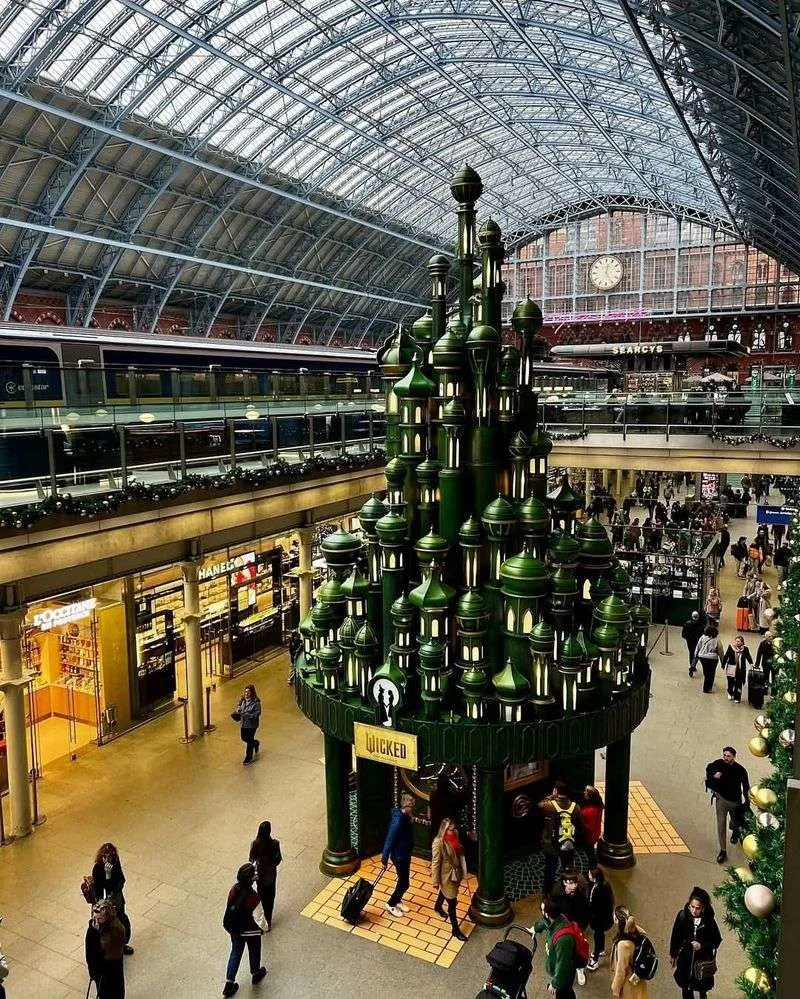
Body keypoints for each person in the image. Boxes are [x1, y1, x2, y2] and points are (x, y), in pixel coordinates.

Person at [222, 863, 267, 997]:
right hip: (251, 931)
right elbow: (259, 918)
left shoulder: (233, 889)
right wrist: (265, 928)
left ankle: (229, 984)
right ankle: (255, 973)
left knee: (235, 953)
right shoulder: (253, 897)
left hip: (235, 929)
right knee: (254, 950)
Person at [669, 887, 722, 999]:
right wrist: (673, 953)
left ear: (703, 908)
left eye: (698, 908)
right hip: (686, 959)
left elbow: (716, 940)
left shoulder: (709, 921)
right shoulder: (683, 916)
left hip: (701, 961)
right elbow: (676, 936)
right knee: (686, 987)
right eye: (692, 907)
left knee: (701, 988)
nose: (694, 911)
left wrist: (702, 946)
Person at [539, 780, 585, 896]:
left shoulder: (549, 806)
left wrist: (551, 796)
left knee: (550, 869)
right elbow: (581, 826)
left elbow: (539, 805)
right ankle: (570, 889)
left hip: (551, 845)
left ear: (556, 791)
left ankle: (547, 893)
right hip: (568, 843)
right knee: (568, 868)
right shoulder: (575, 807)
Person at [705, 746, 750, 863]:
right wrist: (713, 776)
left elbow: (746, 787)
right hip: (721, 800)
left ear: (734, 757)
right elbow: (709, 769)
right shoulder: (718, 764)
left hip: (735, 801)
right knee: (721, 825)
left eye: (728, 756)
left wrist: (747, 802)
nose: (725, 758)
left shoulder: (740, 770)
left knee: (736, 822)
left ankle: (735, 832)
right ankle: (723, 850)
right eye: (724, 755)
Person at [91, 843, 133, 954]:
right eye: (105, 856)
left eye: (109, 857)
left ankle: (122, 944)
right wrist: (107, 876)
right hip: (104, 903)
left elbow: (120, 882)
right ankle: (107, 949)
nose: (107, 859)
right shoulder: (97, 869)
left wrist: (110, 876)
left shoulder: (115, 864)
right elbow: (100, 892)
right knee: (106, 927)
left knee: (122, 922)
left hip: (116, 898)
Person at [532, 897, 578, 999]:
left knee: (564, 994)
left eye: (543, 910)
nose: (542, 912)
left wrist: (555, 984)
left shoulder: (564, 940)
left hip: (564, 976)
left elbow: (562, 964)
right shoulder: (557, 918)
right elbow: (545, 923)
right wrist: (535, 928)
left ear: (548, 914)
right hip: (558, 971)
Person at [430, 818, 468, 941]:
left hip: (455, 872)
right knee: (452, 901)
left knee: (447, 893)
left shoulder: (455, 834)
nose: (452, 830)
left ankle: (437, 906)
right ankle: (455, 930)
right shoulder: (438, 842)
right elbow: (436, 862)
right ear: (444, 829)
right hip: (446, 875)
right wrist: (435, 881)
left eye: (452, 827)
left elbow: (458, 848)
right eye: (449, 829)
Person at [554, 870, 590, 986]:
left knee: (578, 949)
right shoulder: (557, 894)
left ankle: (579, 969)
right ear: (564, 883)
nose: (573, 886)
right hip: (563, 928)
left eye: (574, 883)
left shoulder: (580, 894)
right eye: (570, 883)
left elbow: (585, 911)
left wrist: (581, 927)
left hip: (577, 927)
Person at [381, 793, 415, 917]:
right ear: (406, 805)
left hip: (405, 854)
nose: (413, 808)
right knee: (404, 883)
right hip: (400, 856)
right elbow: (389, 840)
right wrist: (384, 859)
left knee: (403, 881)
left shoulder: (405, 816)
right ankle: (391, 903)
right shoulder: (398, 820)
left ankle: (397, 901)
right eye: (411, 805)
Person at [85, 899, 126, 999]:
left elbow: (113, 950)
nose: (96, 922)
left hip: (110, 968)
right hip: (100, 970)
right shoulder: (93, 929)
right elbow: (90, 952)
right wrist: (93, 971)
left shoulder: (115, 929)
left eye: (99, 919)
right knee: (104, 992)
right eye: (95, 918)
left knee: (114, 992)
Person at [248, 821, 282, 932]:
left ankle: (262, 921)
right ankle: (269, 919)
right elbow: (278, 860)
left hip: (260, 877)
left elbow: (251, 859)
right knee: (270, 897)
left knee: (262, 896)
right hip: (271, 875)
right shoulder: (275, 843)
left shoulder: (255, 844)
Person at [610, 908, 648, 999]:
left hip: (629, 982)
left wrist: (616, 989)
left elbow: (621, 971)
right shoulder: (638, 932)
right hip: (638, 977)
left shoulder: (623, 945)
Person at [586, 868, 614, 972]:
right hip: (604, 917)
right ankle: (601, 949)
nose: (588, 875)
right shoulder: (605, 885)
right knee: (600, 934)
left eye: (589, 874)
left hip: (598, 919)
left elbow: (593, 905)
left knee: (597, 937)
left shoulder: (597, 889)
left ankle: (595, 959)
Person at [233, 684, 261, 765]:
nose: (246, 694)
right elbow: (238, 705)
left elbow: (257, 714)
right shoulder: (242, 699)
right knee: (244, 738)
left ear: (252, 693)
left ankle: (248, 757)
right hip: (244, 723)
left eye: (248, 692)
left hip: (252, 725)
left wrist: (246, 714)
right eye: (245, 692)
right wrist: (238, 709)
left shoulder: (256, 703)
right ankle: (255, 743)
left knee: (249, 740)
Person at [721, 636, 752, 703]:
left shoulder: (745, 649)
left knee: (738, 683)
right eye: (736, 641)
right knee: (730, 681)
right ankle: (730, 692)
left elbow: (748, 656)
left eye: (739, 641)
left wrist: (751, 663)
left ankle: (737, 697)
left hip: (740, 669)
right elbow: (726, 656)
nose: (737, 643)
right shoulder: (731, 647)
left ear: (742, 642)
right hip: (731, 667)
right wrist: (723, 664)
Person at [579, 786, 604, 867]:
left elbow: (588, 826)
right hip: (595, 833)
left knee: (590, 852)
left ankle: (593, 868)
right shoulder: (598, 805)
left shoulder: (589, 811)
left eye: (586, 792)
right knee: (590, 850)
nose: (584, 793)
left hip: (589, 836)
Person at [693, 627, 723, 694]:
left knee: (706, 671)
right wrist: (722, 662)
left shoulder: (702, 637)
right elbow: (720, 651)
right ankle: (708, 688)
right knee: (711, 673)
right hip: (713, 658)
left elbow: (698, 646)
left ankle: (706, 682)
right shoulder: (717, 640)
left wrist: (696, 655)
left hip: (703, 657)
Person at [681, 612, 705, 677]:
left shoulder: (687, 624)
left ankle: (691, 664)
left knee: (691, 653)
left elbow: (683, 633)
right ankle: (693, 665)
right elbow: (703, 634)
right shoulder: (701, 625)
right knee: (696, 654)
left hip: (689, 641)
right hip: (697, 641)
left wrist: (686, 637)